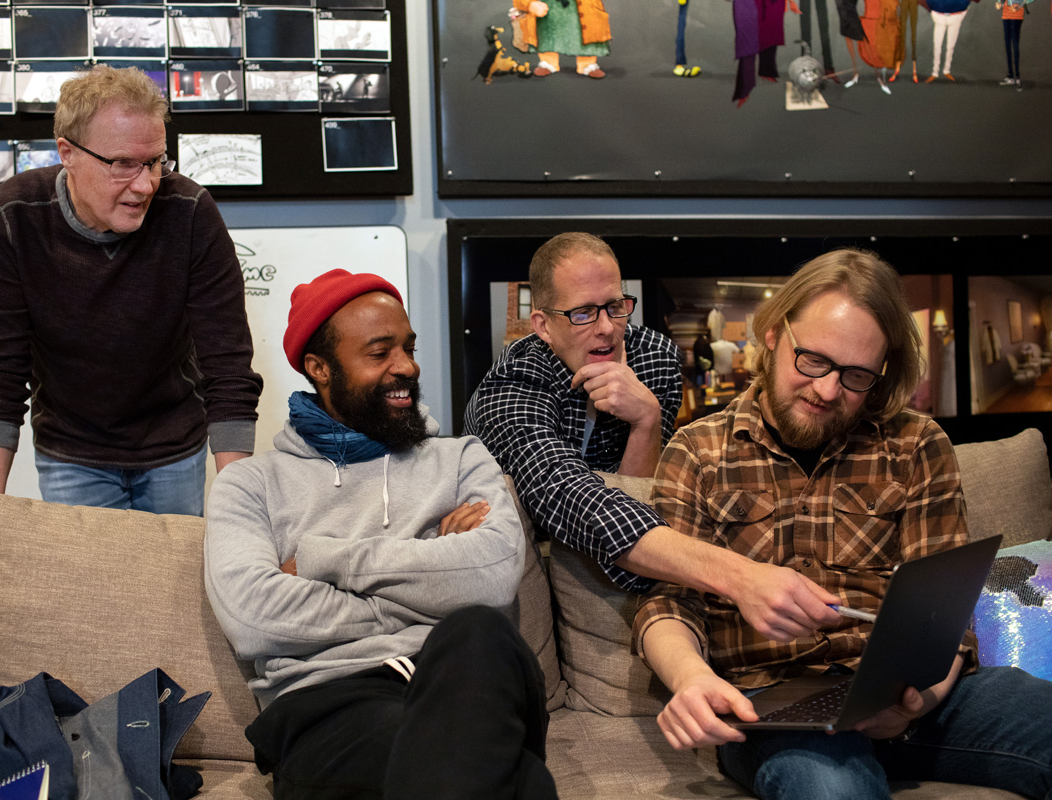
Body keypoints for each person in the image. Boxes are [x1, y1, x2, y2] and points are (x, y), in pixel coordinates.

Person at [636, 248, 1052, 800]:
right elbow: (667, 604)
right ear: (773, 334)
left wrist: (913, 704)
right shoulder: (698, 451)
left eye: (856, 376)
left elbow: (944, 616)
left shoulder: (916, 445)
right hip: (776, 704)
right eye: (811, 360)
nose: (828, 391)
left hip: (910, 694)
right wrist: (690, 679)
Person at [204, 269, 556, 799]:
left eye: (409, 347)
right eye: (379, 352)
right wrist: (434, 578)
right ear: (320, 369)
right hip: (331, 702)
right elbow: (254, 616)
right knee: (511, 779)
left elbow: (491, 576)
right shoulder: (251, 483)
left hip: (464, 678)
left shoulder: (462, 458)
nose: (407, 367)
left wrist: (325, 561)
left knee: (480, 629)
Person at [465, 232, 841, 642]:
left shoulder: (654, 356)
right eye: (583, 314)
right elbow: (558, 487)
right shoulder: (514, 383)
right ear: (543, 325)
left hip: (620, 562)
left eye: (614, 307)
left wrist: (647, 420)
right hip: (523, 569)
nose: (608, 328)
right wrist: (737, 575)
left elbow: (641, 490)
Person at [0, 65, 262, 515]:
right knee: (90, 585)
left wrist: (239, 511)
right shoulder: (14, 215)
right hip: (71, 450)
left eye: (156, 161)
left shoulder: (190, 212)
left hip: (174, 446)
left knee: (173, 583)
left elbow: (228, 367)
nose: (145, 185)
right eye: (123, 164)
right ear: (68, 152)